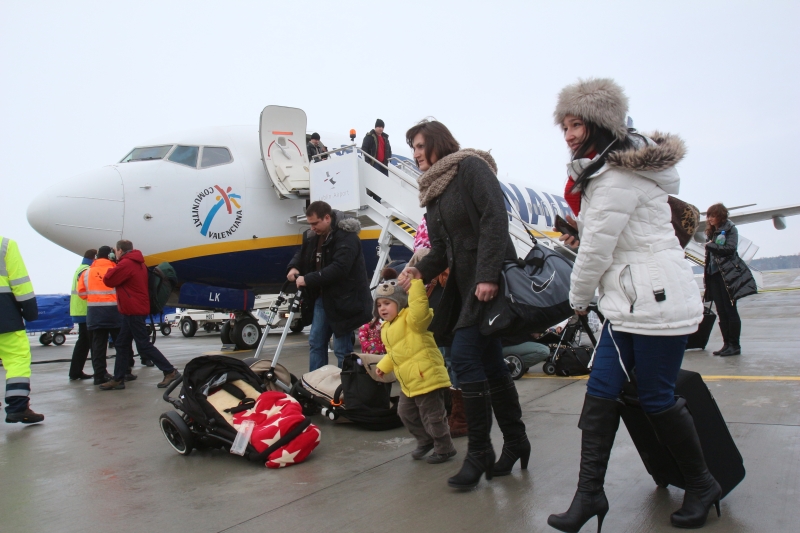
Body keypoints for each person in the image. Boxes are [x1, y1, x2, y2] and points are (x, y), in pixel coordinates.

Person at [547, 78, 716, 532]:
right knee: (600, 392)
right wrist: (583, 234)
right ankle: (589, 496)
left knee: (657, 398)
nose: (568, 135)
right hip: (630, 302)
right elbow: (610, 237)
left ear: (600, 124)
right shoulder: (606, 175)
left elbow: (599, 250)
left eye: (576, 124)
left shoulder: (614, 177)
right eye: (564, 126)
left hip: (656, 303)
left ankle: (702, 484)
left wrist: (577, 299)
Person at [399, 119, 528, 489]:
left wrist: (487, 274)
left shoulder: (470, 166)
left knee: (466, 356)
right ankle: (517, 441)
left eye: (421, 145)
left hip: (485, 283)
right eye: (413, 147)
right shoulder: (435, 192)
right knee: (489, 364)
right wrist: (419, 271)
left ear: (439, 143)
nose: (416, 154)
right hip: (464, 285)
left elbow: (494, 218)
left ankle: (480, 451)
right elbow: (441, 248)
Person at [374, 268, 457, 464]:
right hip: (409, 382)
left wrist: (416, 285)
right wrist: (384, 365)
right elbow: (395, 351)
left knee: (433, 416)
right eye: (379, 305)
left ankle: (444, 447)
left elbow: (420, 308)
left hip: (426, 377)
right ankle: (425, 440)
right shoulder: (387, 327)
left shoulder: (413, 320)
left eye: (387, 303)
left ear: (401, 302)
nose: (382, 308)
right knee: (405, 413)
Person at [287, 201, 372, 371]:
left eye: (315, 223)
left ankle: (347, 387)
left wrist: (308, 279)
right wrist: (294, 266)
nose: (312, 228)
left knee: (341, 349)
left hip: (345, 300)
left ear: (327, 218)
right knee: (316, 342)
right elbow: (302, 253)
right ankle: (315, 384)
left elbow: (340, 268)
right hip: (323, 297)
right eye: (309, 224)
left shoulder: (347, 238)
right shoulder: (315, 236)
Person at [99, 240, 180, 390]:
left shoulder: (126, 264)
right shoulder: (138, 262)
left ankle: (170, 371)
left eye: (116, 251)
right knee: (122, 344)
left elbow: (109, 280)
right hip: (132, 309)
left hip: (133, 310)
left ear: (120, 251)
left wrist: (113, 264)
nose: (115, 253)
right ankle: (118, 378)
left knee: (143, 345)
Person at [0, 236, 44, 423]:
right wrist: (30, 311)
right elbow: (20, 282)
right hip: (4, 313)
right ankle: (18, 407)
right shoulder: (5, 245)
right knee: (17, 358)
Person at [704, 203, 757, 356]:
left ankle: (735, 345)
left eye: (713, 216)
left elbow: (730, 249)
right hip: (714, 275)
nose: (710, 219)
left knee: (730, 309)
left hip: (727, 275)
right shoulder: (712, 232)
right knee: (721, 311)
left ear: (721, 216)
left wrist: (710, 246)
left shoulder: (730, 229)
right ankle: (726, 344)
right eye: (709, 216)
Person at [77, 246, 124, 385]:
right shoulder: (115, 270)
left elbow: (81, 293)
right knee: (120, 344)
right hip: (114, 312)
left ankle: (99, 375)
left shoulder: (87, 273)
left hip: (95, 312)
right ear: (110, 256)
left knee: (98, 346)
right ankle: (122, 373)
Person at [67, 249, 96, 381]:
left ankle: (76, 371)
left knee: (84, 343)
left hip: (80, 311)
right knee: (87, 342)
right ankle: (76, 371)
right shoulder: (86, 270)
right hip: (84, 311)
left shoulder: (81, 268)